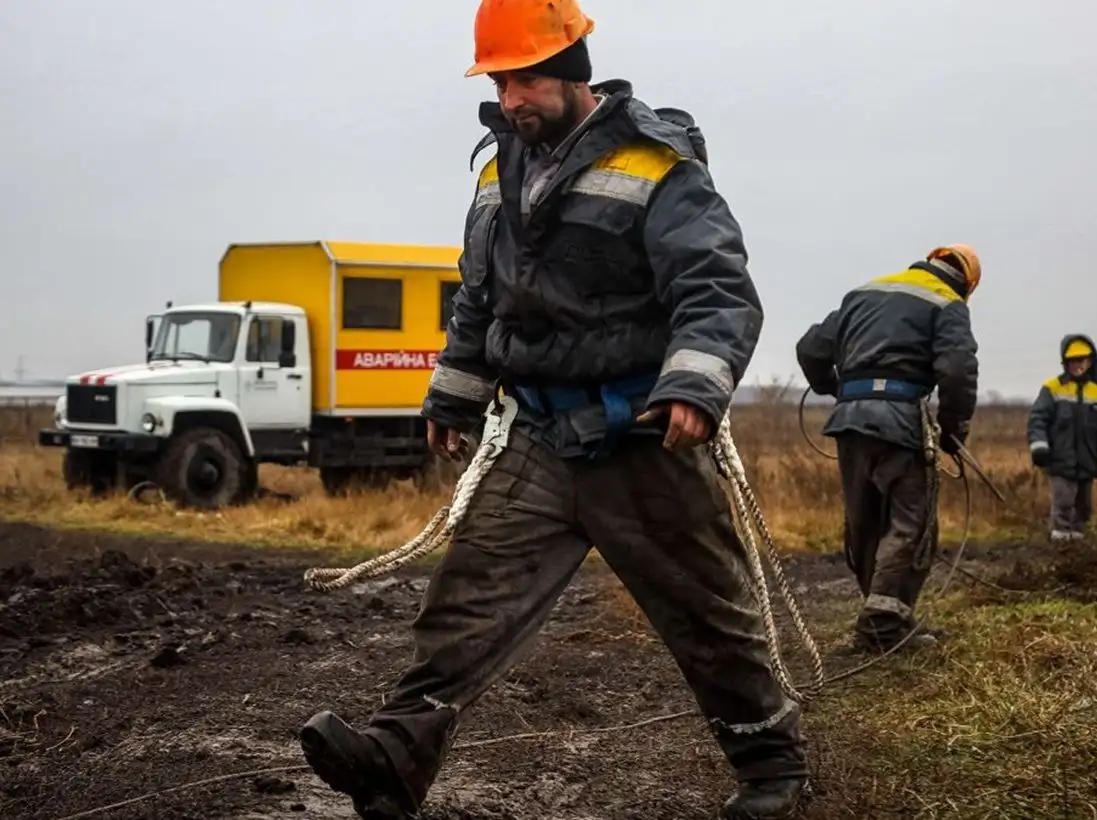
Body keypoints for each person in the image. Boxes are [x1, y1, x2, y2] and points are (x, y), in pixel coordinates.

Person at [297, 1, 809, 818]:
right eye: (500, 81)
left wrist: (693, 387)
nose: (511, 99)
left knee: (708, 614)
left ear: (572, 70)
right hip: (535, 433)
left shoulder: (659, 165)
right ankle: (394, 761)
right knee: (466, 601)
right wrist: (455, 390)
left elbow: (717, 290)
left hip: (642, 437)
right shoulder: (496, 167)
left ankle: (773, 769)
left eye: (525, 78)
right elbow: (481, 296)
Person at [794, 246, 981, 654]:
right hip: (900, 425)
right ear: (967, 283)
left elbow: (809, 348)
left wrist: (836, 387)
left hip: (850, 423)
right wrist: (952, 433)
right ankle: (883, 625)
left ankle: (883, 615)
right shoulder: (949, 304)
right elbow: (957, 370)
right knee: (911, 524)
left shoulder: (865, 292)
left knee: (865, 523)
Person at [1026, 334, 1097, 541]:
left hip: (1088, 462)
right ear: (1065, 363)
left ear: (1089, 362)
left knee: (1083, 507)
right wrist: (1039, 447)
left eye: (1082, 360)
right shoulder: (1052, 388)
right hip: (1060, 460)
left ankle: (1078, 548)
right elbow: (1037, 419)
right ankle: (1060, 544)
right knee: (1064, 503)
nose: (1077, 365)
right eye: (1073, 361)